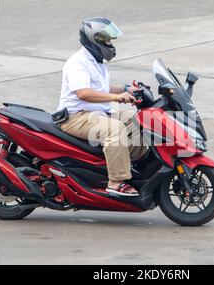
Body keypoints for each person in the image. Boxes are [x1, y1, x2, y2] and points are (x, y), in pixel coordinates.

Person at [58, 17, 147, 197]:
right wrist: (117, 97)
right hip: (76, 116)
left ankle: (131, 164)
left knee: (137, 120)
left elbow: (100, 88)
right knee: (115, 129)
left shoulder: (96, 61)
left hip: (97, 112)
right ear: (95, 40)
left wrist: (126, 89)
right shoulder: (78, 62)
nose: (110, 44)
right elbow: (83, 93)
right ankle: (115, 182)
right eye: (107, 40)